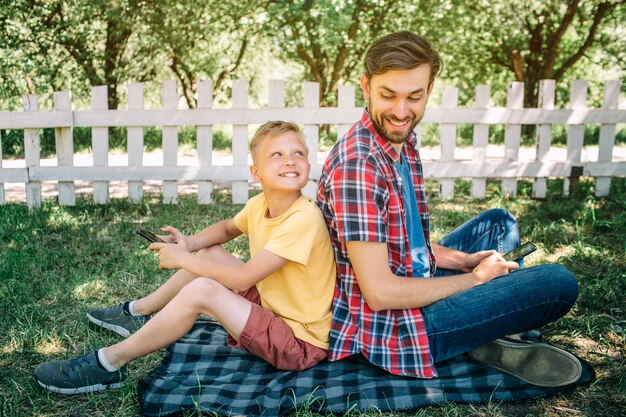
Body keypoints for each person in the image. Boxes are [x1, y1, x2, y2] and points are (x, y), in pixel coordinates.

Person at [317, 31, 581, 387]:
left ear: (430, 89)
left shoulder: (399, 139)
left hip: (410, 277)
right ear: (365, 86)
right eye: (387, 95)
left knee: (498, 224)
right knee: (558, 283)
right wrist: (475, 280)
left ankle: (478, 329)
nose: (400, 111)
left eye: (414, 96)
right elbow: (380, 295)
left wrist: (463, 261)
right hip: (393, 328)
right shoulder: (359, 166)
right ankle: (476, 335)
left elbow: (403, 241)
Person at [35, 121, 336, 394]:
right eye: (277, 154)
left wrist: (182, 259)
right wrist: (189, 244)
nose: (289, 160)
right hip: (274, 310)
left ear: (308, 163)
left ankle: (109, 364)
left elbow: (244, 278)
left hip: (299, 342)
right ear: (255, 172)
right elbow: (229, 228)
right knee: (211, 254)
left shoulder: (303, 218)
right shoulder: (260, 204)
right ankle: (135, 313)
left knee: (203, 289)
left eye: (298, 153)